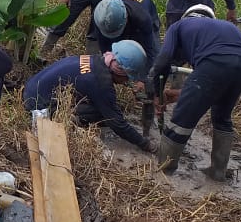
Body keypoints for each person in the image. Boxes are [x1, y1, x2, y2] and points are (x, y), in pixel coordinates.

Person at [148, 4, 241, 180]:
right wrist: (178, 93)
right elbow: (211, 88)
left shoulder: (178, 26)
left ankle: (164, 171)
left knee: (182, 118)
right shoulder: (224, 26)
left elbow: (164, 59)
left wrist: (153, 90)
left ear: (187, 16)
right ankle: (218, 172)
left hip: (215, 61)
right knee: (222, 116)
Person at [23, 41, 156, 152]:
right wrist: (145, 144)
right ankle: (69, 121)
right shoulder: (101, 83)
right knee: (102, 113)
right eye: (127, 77)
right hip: (37, 106)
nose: (126, 81)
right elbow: (118, 124)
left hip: (31, 88)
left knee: (106, 106)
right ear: (119, 71)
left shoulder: (96, 60)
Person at [92, 0, 161, 80]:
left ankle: (153, 81)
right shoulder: (99, 15)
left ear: (126, 18)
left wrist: (144, 79)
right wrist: (110, 69)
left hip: (143, 10)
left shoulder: (142, 18)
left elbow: (149, 50)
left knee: (154, 54)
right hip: (117, 19)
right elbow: (104, 47)